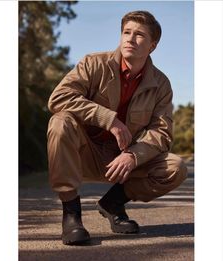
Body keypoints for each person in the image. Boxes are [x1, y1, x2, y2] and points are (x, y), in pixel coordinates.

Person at [47, 10, 188, 245]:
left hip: (123, 161)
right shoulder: (93, 63)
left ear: (152, 46)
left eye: (139, 35)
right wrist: (108, 119)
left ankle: (112, 204)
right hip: (85, 153)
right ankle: (71, 215)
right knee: (60, 121)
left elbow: (161, 132)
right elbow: (59, 98)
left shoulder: (161, 84)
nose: (130, 39)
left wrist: (134, 155)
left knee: (176, 167)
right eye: (126, 32)